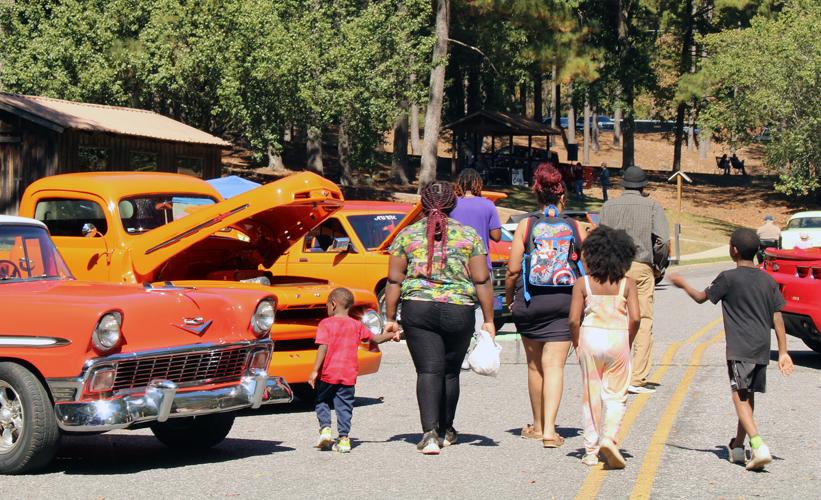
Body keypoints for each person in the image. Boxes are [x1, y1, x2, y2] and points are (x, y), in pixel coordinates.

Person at [383, 181, 496, 455]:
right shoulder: (469, 236)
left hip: (418, 309)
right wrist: (489, 320)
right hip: (459, 310)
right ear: (453, 204)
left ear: (421, 204)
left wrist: (390, 318)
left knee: (428, 370)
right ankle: (447, 430)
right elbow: (482, 279)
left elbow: (394, 280)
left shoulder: (407, 235)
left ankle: (429, 434)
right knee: (449, 372)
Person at [668, 228, 793, 471]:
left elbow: (701, 297)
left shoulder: (728, 278)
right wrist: (784, 351)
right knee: (748, 395)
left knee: (738, 395)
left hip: (739, 348)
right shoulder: (768, 279)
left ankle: (758, 445)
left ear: (733, 250)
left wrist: (683, 283)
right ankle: (737, 446)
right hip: (761, 348)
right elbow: (777, 316)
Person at [505, 162, 584, 448]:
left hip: (530, 302)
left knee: (535, 366)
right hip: (564, 303)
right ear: (563, 196)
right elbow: (587, 265)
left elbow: (513, 269)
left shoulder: (527, 225)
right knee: (555, 367)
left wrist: (509, 298)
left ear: (536, 196)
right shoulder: (575, 226)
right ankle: (551, 431)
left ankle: (537, 426)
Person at [569, 226, 640, 468]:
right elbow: (636, 318)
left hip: (590, 338)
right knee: (617, 395)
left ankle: (590, 450)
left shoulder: (583, 284)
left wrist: (576, 342)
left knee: (591, 396)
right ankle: (609, 437)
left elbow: (572, 319)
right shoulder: (626, 284)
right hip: (617, 338)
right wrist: (628, 340)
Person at [599, 165, 669, 394]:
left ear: (623, 184)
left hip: (614, 266)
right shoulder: (652, 207)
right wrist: (658, 264)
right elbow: (662, 242)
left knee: (612, 318)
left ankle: (612, 372)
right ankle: (637, 377)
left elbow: (601, 238)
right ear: (643, 186)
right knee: (643, 319)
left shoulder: (609, 207)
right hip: (640, 265)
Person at [308, 288, 398, 453]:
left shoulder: (325, 324)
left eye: (327, 305)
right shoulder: (356, 325)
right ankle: (343, 439)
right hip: (349, 374)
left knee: (322, 401)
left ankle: (326, 429)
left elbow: (323, 347)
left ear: (333, 304)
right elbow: (376, 339)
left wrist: (315, 370)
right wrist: (391, 335)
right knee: (344, 406)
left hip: (329, 373)